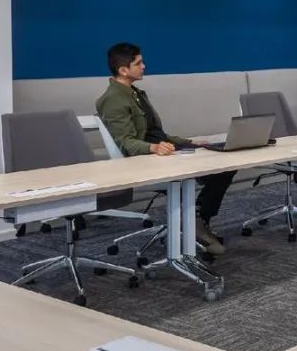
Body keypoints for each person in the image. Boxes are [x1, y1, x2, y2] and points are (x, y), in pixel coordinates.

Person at [95, 43, 233, 255]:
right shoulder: (113, 99)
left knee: (225, 163)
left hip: (162, 151)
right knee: (217, 168)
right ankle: (195, 222)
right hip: (143, 159)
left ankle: (197, 218)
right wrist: (153, 147)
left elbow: (157, 133)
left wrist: (190, 142)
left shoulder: (135, 93)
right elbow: (126, 142)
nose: (144, 66)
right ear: (123, 70)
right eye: (138, 63)